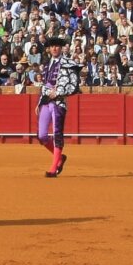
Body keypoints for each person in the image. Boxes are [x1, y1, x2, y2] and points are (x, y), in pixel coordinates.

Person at [37, 35, 82, 177]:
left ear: (61, 48)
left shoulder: (68, 63)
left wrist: (58, 92)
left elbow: (74, 85)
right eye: (52, 46)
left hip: (59, 101)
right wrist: (40, 101)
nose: (54, 48)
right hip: (46, 100)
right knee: (42, 135)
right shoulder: (47, 64)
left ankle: (53, 168)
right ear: (49, 49)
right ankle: (60, 158)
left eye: (57, 46)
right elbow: (44, 85)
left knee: (57, 134)